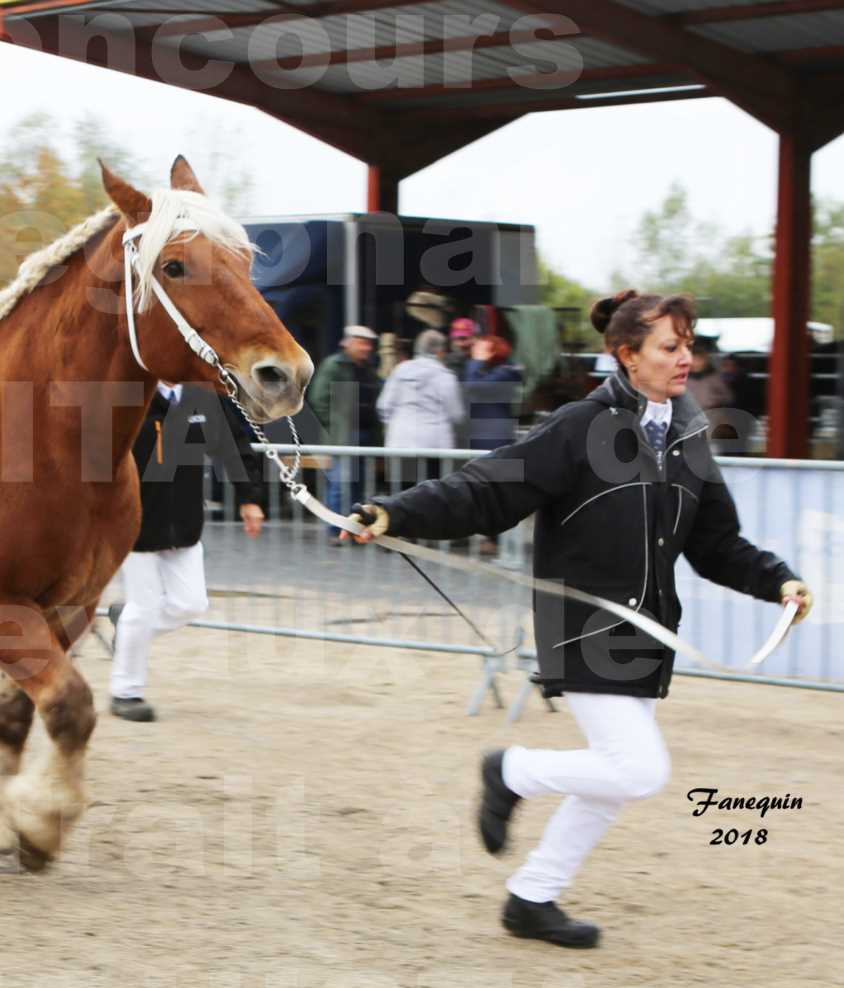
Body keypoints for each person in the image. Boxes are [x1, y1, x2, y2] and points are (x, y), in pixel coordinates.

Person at [343, 289, 813, 950]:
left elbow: (716, 545)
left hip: (649, 634)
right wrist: (394, 512)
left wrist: (778, 581)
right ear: (626, 355)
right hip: (586, 629)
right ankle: (509, 772)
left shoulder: (686, 434)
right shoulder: (580, 426)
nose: (687, 360)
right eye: (670, 347)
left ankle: (531, 898)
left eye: (688, 346)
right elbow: (486, 489)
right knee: (639, 771)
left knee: (610, 782)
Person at [109, 381, 266, 723]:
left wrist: (249, 498)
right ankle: (126, 692)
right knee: (143, 606)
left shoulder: (202, 397)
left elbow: (233, 447)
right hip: (134, 525)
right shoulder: (128, 394)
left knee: (191, 604)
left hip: (184, 521)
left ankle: (128, 629)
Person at [307, 325, 383, 543]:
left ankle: (351, 529)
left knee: (358, 486)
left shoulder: (368, 368)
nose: (366, 347)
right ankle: (335, 531)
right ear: (347, 343)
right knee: (340, 484)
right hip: (345, 435)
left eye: (368, 343)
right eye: (361, 342)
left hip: (365, 433)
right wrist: (334, 427)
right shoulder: (334, 365)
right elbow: (318, 399)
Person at [377, 329, 465, 487]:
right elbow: (456, 413)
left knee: (402, 494)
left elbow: (383, 406)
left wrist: (397, 424)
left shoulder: (400, 370)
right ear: (440, 351)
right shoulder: (445, 376)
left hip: (400, 443)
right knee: (429, 495)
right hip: (434, 446)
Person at [462, 335, 522, 452]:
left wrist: (477, 361)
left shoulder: (506, 372)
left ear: (492, 352)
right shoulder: (487, 372)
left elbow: (473, 386)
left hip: (493, 436)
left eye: (480, 349)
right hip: (480, 433)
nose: (474, 351)